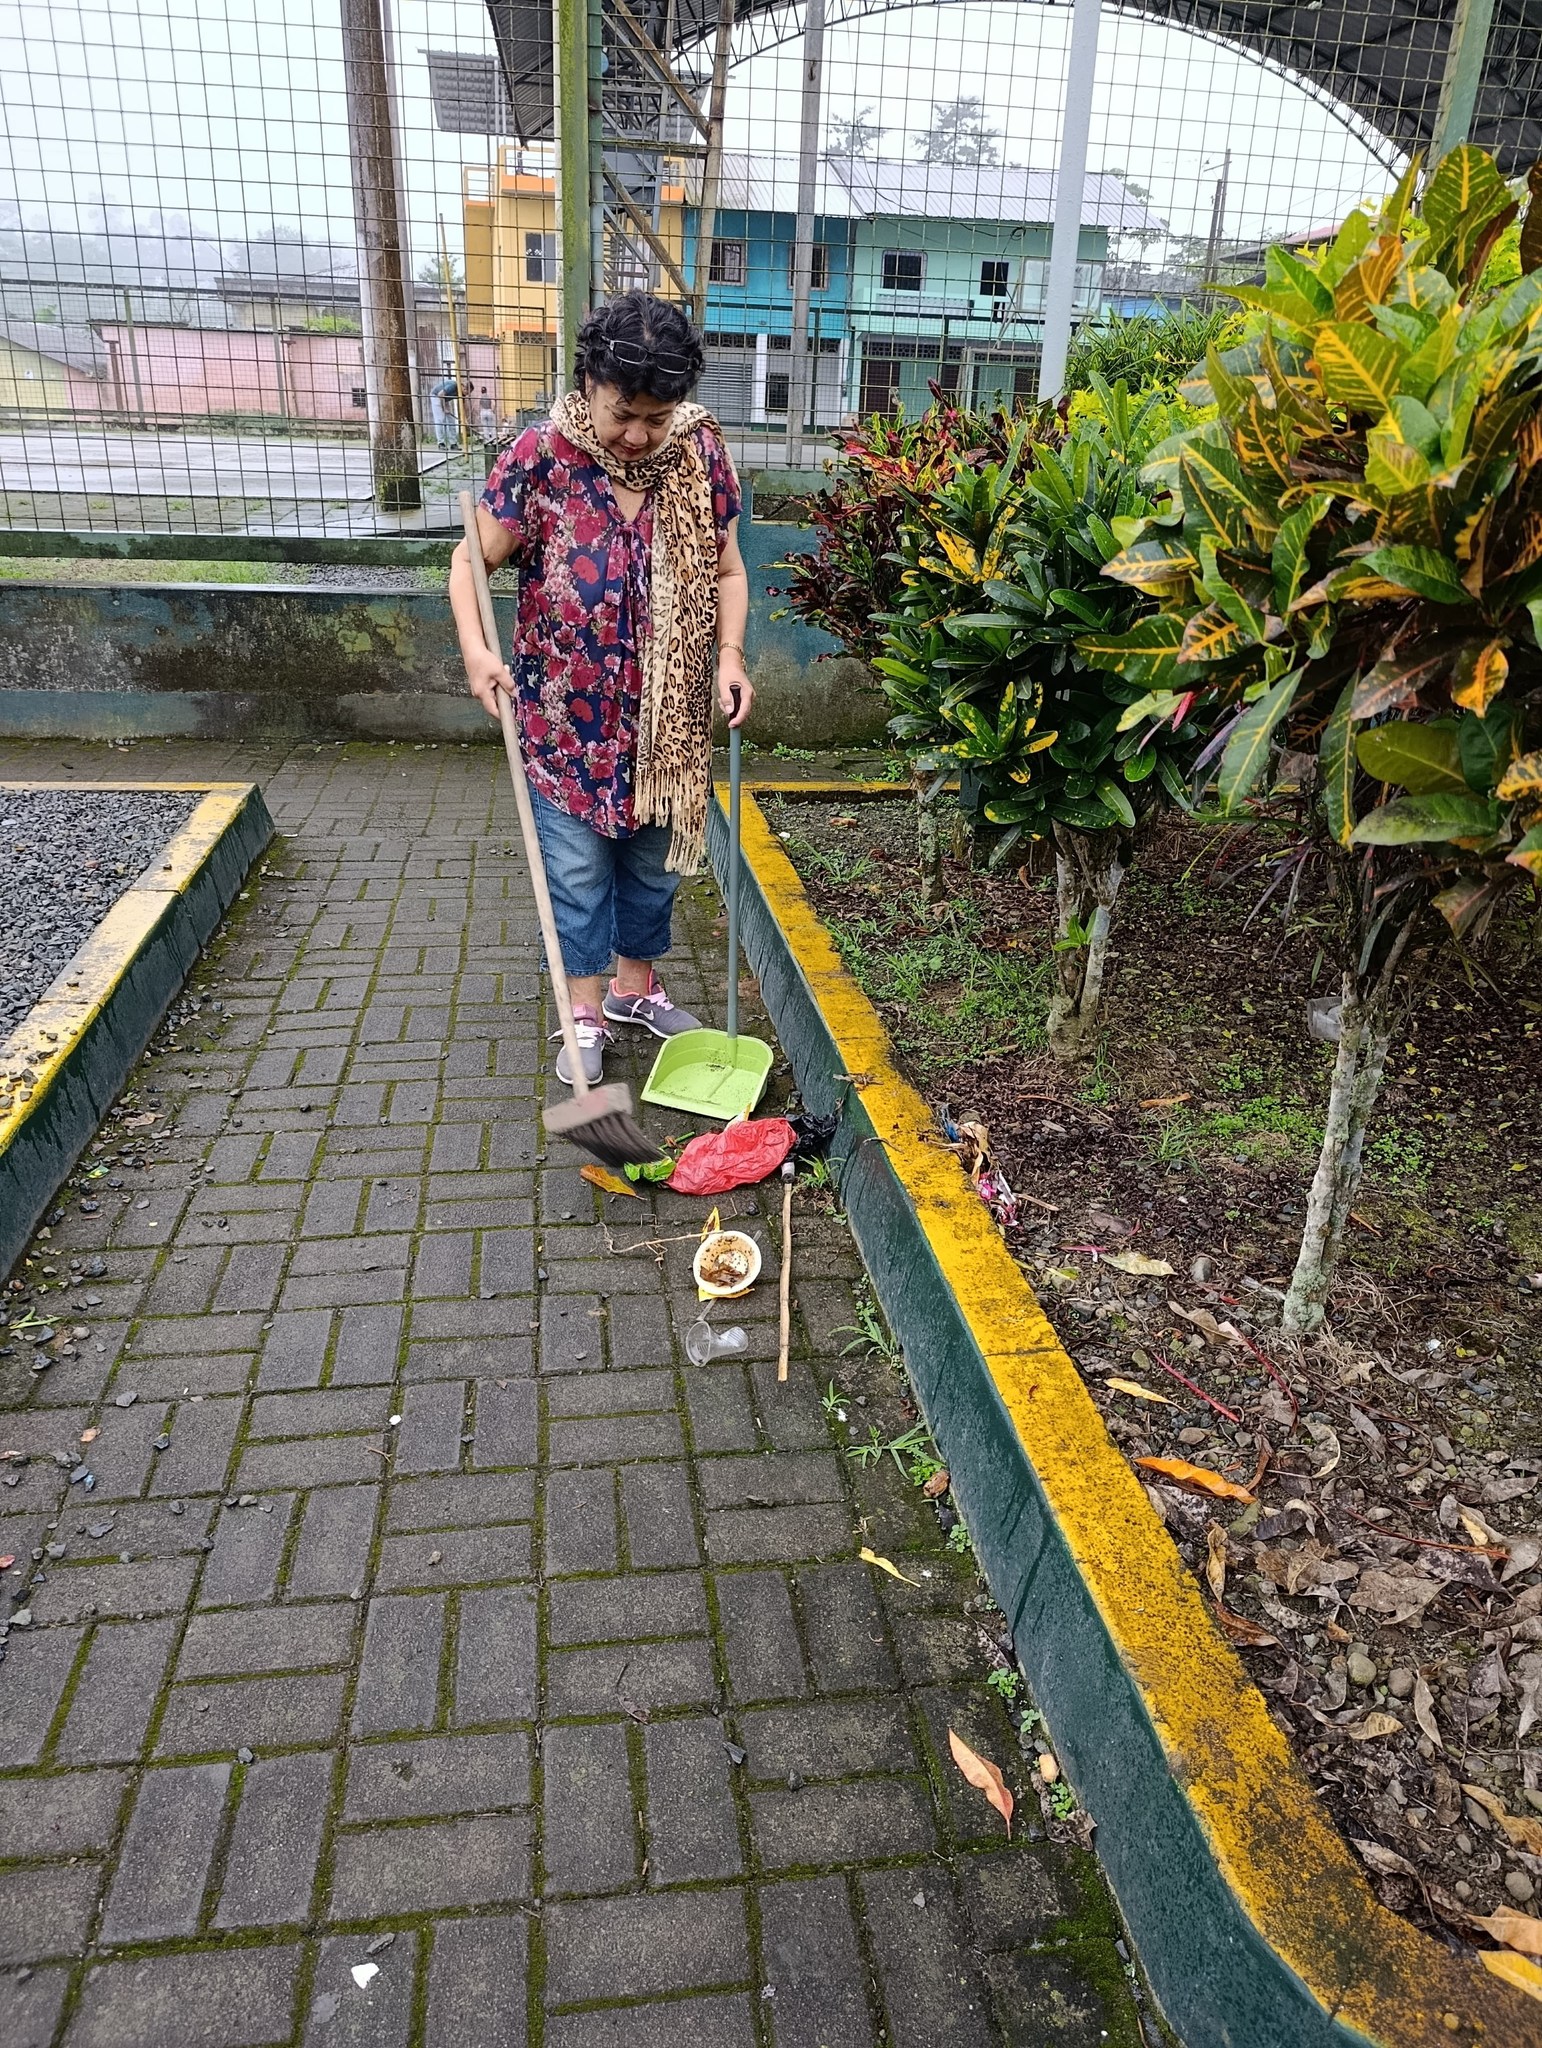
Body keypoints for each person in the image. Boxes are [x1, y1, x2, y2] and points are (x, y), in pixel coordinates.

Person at [448, 292, 752, 1087]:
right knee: (579, 876)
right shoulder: (541, 456)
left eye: (658, 416)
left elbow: (727, 570)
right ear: (589, 384)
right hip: (564, 726)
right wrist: (477, 653)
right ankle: (582, 1011)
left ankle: (633, 992)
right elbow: (470, 562)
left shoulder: (698, 454)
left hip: (668, 727)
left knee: (652, 871)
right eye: (625, 414)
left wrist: (729, 657)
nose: (641, 435)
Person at [429, 364, 459, 449]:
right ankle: (441, 443)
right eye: (466, 391)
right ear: (463, 387)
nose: (466, 394)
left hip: (444, 399)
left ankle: (453, 443)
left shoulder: (461, 393)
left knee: (451, 420)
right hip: (436, 396)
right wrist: (444, 408)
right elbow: (440, 394)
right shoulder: (453, 386)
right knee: (440, 419)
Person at [477, 386, 498, 451]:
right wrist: (493, 410)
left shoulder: (479, 397)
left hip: (483, 411)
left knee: (485, 427)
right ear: (486, 390)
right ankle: (494, 439)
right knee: (492, 427)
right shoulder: (489, 396)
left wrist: (479, 414)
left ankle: (487, 440)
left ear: (481, 391)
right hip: (489, 411)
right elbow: (494, 404)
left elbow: (478, 406)